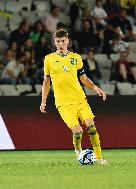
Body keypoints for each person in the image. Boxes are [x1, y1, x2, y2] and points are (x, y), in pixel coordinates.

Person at [40, 29, 107, 165]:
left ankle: (100, 158)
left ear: (68, 41)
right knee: (78, 131)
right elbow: (46, 82)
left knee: (91, 127)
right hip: (63, 104)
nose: (60, 44)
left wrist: (95, 88)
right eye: (58, 41)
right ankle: (79, 154)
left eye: (63, 41)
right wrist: (43, 101)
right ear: (54, 42)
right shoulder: (49, 59)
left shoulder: (76, 58)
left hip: (80, 100)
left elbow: (83, 78)